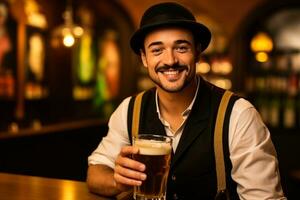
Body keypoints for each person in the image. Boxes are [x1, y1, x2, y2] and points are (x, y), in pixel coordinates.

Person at [87, 2, 286, 199]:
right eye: (157, 50)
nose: (170, 60)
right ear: (144, 58)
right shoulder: (130, 109)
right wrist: (117, 181)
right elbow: (95, 173)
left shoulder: (238, 114)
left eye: (181, 48)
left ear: (198, 52)